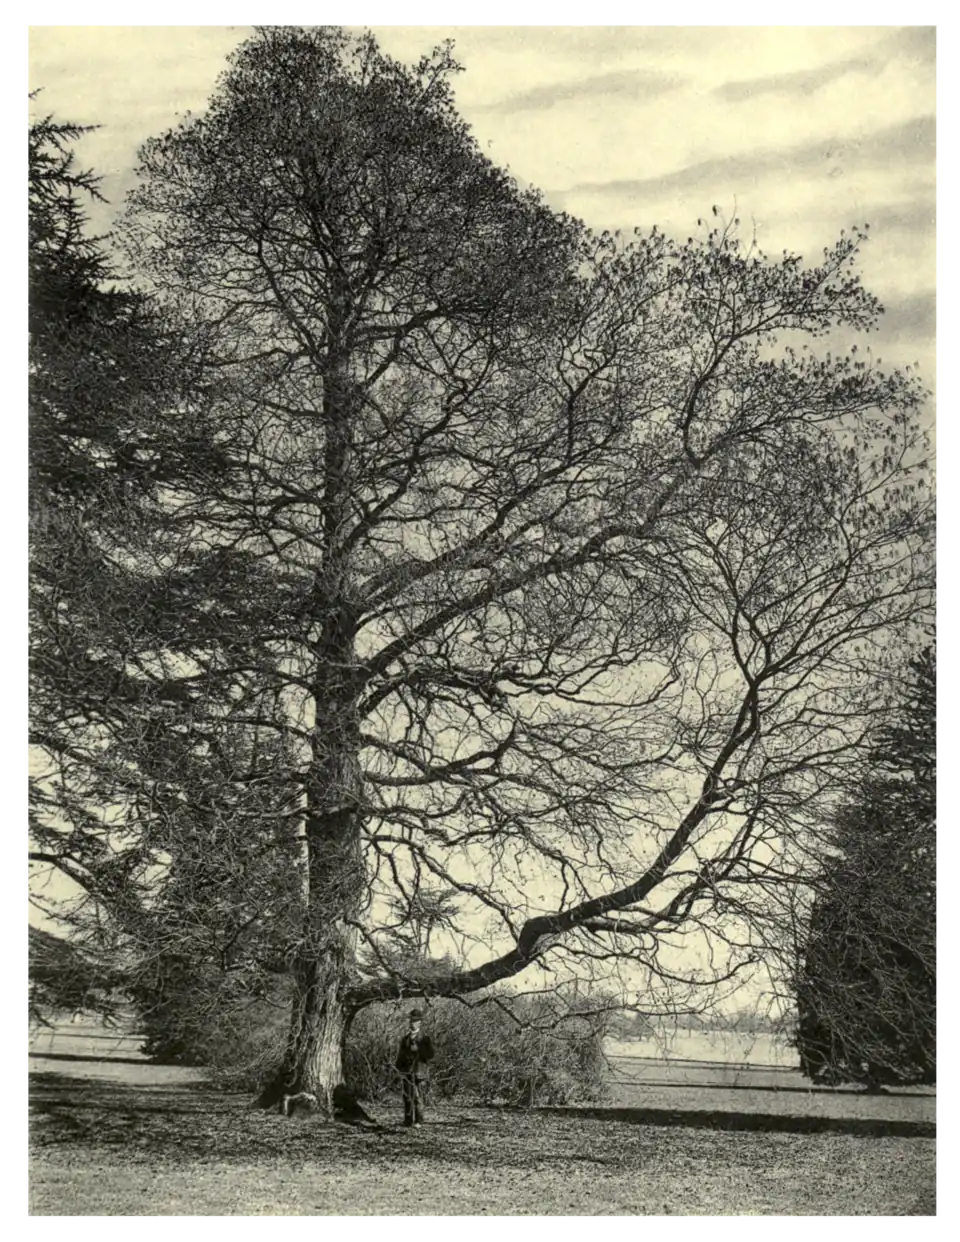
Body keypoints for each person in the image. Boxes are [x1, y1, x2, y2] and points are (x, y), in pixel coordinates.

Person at [395, 1007, 435, 1128]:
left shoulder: (425, 1039)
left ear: (420, 1022)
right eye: (411, 1020)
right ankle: (407, 1121)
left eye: (415, 1020)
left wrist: (419, 1050)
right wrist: (399, 1070)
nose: (412, 1023)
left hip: (420, 1072)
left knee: (418, 1097)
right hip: (407, 1072)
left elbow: (431, 1054)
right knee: (407, 1097)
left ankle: (419, 1121)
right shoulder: (405, 1039)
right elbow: (400, 1056)